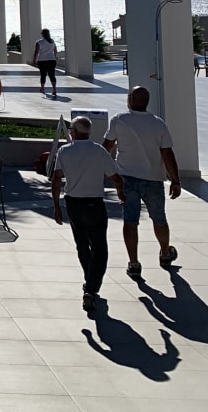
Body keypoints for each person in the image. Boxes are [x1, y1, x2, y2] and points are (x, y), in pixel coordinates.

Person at [103, 85, 182, 279]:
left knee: (130, 221)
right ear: (147, 102)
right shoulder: (158, 124)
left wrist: (103, 171)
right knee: (159, 219)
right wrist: (175, 180)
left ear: (130, 100)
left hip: (126, 178)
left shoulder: (119, 120)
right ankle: (165, 253)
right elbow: (167, 153)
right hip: (153, 179)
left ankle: (134, 263)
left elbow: (106, 147)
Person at [53, 116, 124, 311]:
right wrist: (121, 195)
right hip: (94, 203)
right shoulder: (99, 151)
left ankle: (89, 281)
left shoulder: (64, 151)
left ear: (74, 132)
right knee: (100, 248)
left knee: (82, 244)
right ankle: (91, 287)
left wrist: (56, 206)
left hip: (73, 203)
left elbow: (57, 179)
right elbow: (116, 177)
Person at [32, 29, 58, 97]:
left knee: (43, 75)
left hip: (42, 60)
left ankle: (42, 88)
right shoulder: (52, 41)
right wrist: (54, 57)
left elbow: (36, 52)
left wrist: (34, 60)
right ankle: (54, 89)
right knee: (52, 75)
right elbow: (55, 51)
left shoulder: (39, 42)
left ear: (42, 34)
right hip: (52, 60)